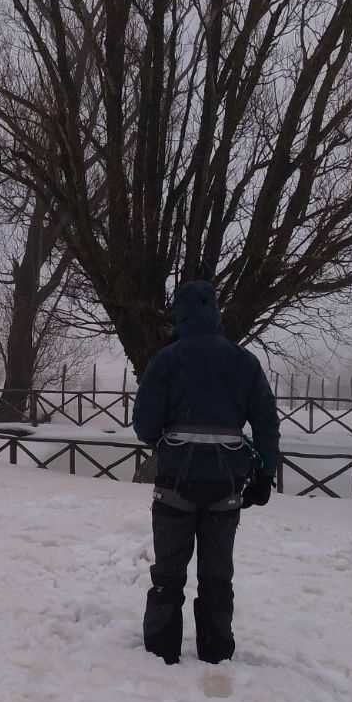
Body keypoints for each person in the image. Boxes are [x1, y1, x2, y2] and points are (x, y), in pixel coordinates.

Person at [132, 279, 279, 666]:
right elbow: (266, 420)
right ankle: (216, 652)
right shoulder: (243, 362)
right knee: (217, 577)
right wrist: (265, 473)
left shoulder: (166, 360)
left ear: (179, 313)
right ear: (215, 311)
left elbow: (145, 426)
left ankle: (161, 654)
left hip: (174, 485)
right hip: (226, 487)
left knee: (168, 574)